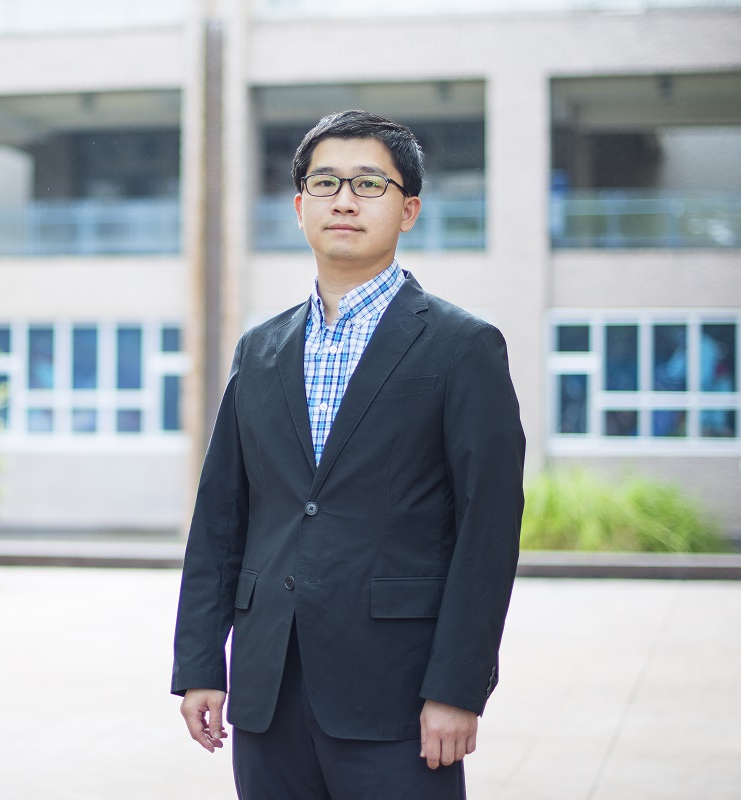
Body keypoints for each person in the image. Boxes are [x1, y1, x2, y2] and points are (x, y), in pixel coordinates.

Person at [171, 110, 525, 800]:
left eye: (369, 184)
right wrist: (200, 663)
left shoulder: (462, 347)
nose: (343, 200)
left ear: (408, 209)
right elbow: (220, 517)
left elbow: (487, 531)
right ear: (299, 206)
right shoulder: (260, 350)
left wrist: (458, 688)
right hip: (269, 687)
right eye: (325, 183)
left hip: (397, 693)